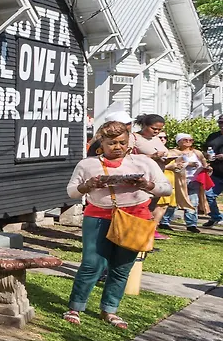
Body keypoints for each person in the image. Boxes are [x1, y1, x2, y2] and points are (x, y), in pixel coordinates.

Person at [65, 120, 171, 329]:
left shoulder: (143, 162)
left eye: (122, 142)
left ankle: (110, 310)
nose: (117, 147)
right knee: (92, 264)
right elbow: (71, 192)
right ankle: (75, 307)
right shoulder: (87, 164)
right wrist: (88, 185)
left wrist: (145, 184)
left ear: (129, 142)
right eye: (111, 143)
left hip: (135, 217)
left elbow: (166, 189)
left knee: (122, 267)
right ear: (101, 143)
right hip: (98, 216)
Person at [130, 113, 172, 237]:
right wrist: (152, 156)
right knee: (141, 205)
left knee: (151, 206)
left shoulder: (157, 139)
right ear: (144, 125)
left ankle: (148, 231)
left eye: (159, 129)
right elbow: (127, 157)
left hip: (158, 176)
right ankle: (136, 232)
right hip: (142, 177)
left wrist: (166, 160)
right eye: (154, 129)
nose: (156, 132)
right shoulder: (134, 138)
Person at [162, 133, 207, 233]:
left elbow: (204, 163)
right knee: (174, 202)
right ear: (178, 142)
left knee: (193, 202)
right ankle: (164, 221)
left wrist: (207, 167)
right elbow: (171, 165)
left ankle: (191, 224)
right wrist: (188, 164)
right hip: (178, 180)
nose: (188, 142)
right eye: (185, 140)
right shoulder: (173, 152)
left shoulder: (197, 153)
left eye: (191, 140)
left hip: (194, 181)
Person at [203, 114, 223, 227]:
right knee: (209, 195)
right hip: (216, 173)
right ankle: (216, 217)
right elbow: (205, 150)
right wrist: (206, 155)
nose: (222, 125)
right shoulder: (213, 136)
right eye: (220, 122)